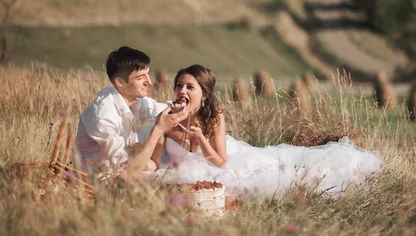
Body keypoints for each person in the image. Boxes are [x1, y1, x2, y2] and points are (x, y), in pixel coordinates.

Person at [147, 64, 382, 198]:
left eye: (190, 86)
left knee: (282, 175)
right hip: (184, 172)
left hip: (221, 166)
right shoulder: (166, 118)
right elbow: (155, 163)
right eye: (178, 85)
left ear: (204, 94)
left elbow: (220, 161)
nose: (181, 90)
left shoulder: (215, 116)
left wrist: (200, 138)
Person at [75, 46, 189, 178]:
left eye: (148, 74)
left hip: (124, 172)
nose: (149, 82)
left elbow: (159, 108)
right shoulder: (104, 118)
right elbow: (127, 171)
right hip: (96, 183)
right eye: (141, 77)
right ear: (120, 82)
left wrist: (180, 106)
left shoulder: (132, 99)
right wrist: (158, 129)